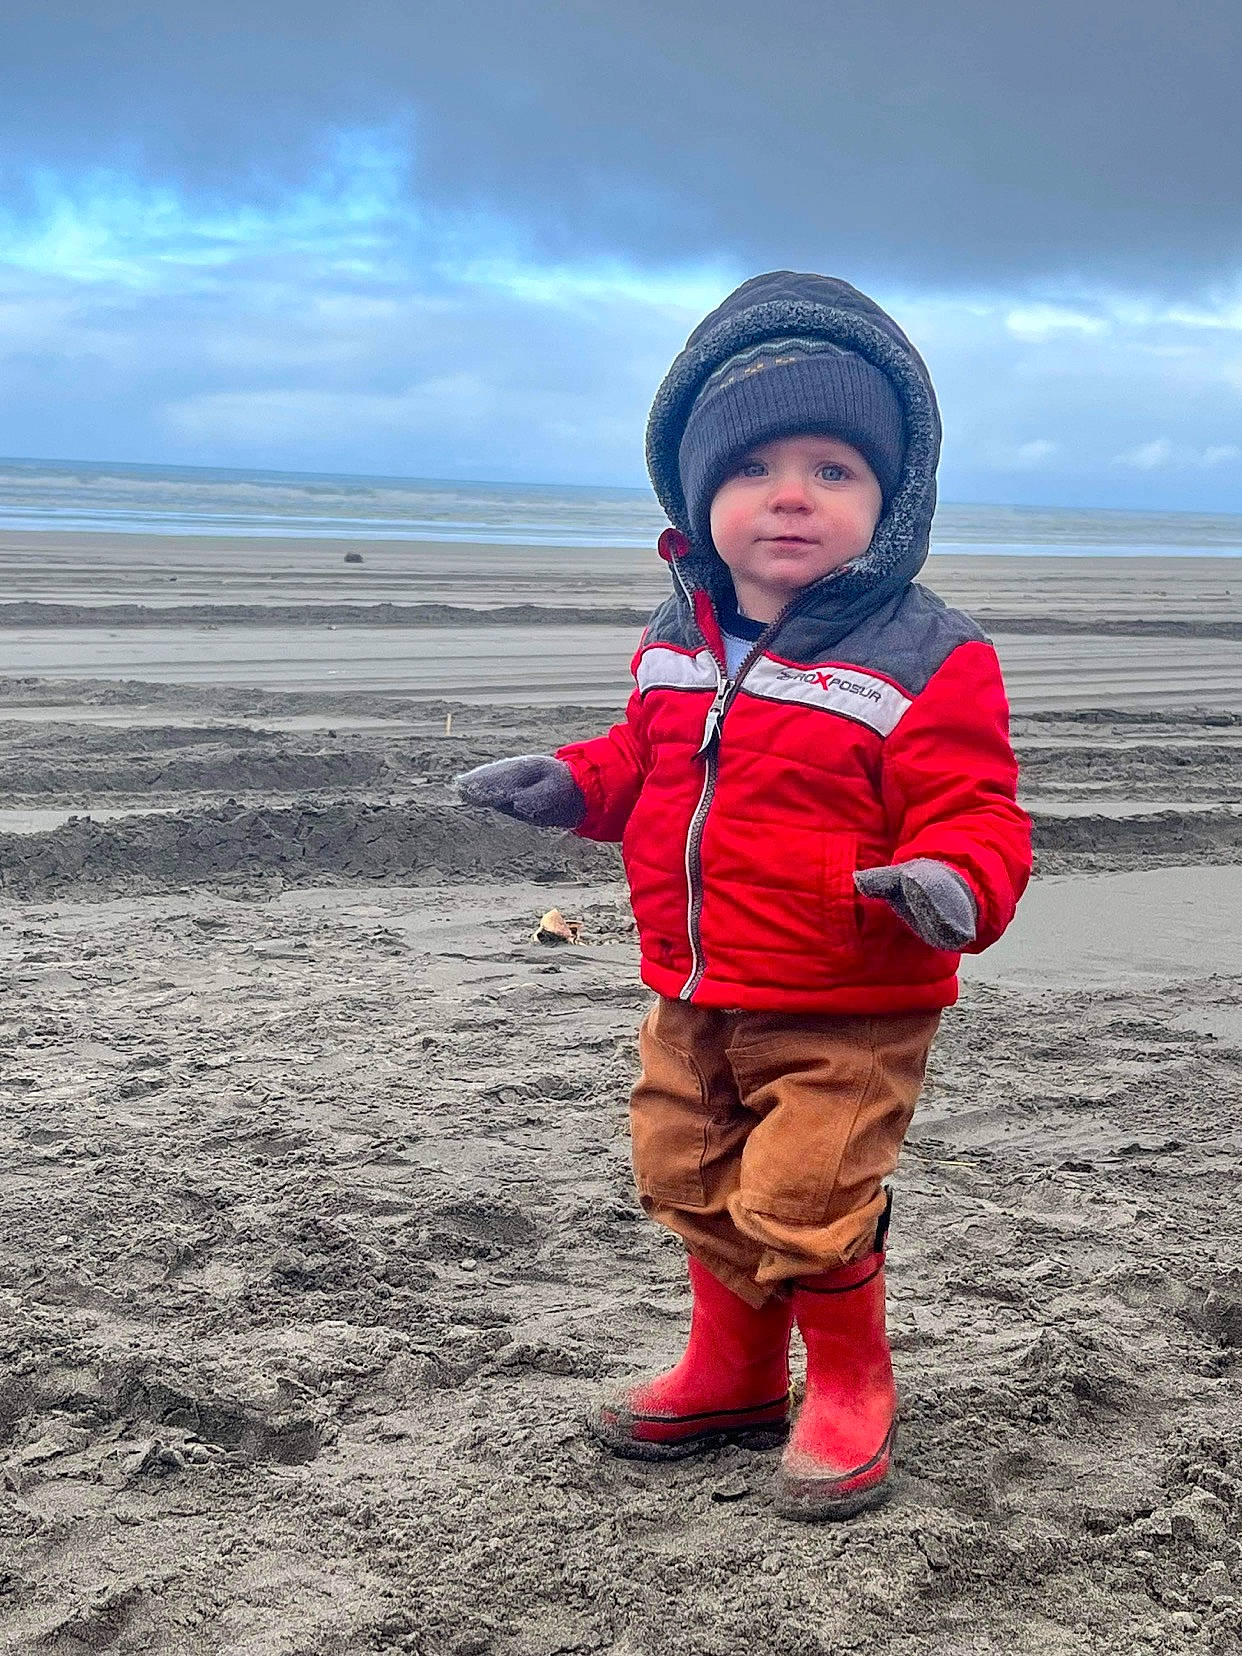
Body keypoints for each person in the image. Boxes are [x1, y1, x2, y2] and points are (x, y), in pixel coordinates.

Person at [457, 272, 1032, 1521]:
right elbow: (651, 759)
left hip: (849, 994)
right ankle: (730, 1372)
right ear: (696, 496)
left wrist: (953, 882)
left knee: (805, 1194)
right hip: (694, 979)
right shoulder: (679, 632)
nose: (789, 494)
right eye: (755, 467)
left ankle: (849, 1384)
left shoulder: (930, 653)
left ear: (892, 500)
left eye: (832, 468)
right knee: (685, 1169)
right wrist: (572, 783)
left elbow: (977, 812)